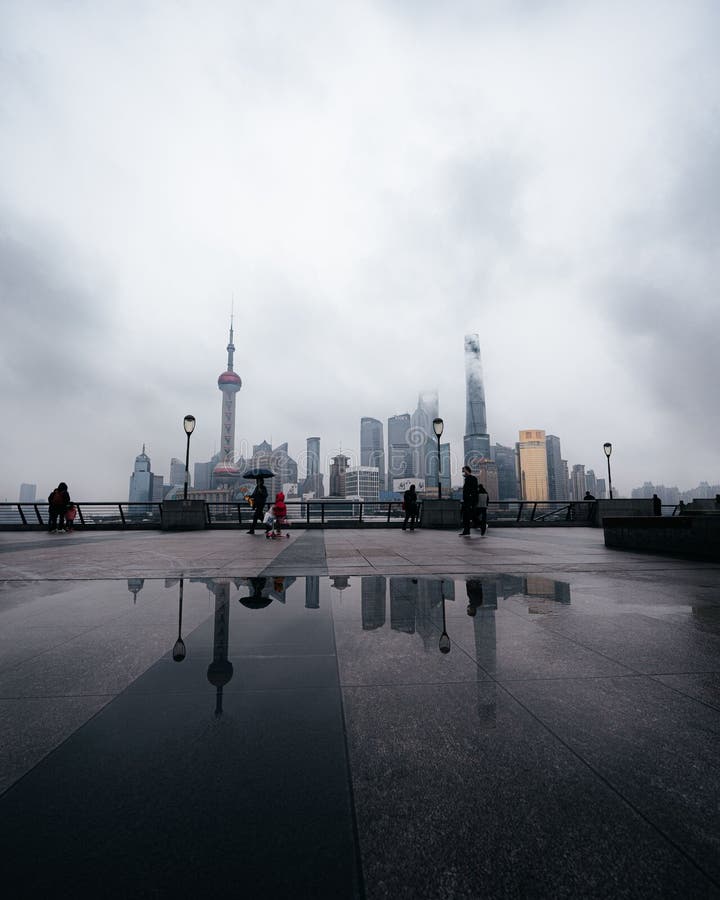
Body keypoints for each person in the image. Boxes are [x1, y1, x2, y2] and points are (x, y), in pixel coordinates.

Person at [460, 465, 480, 535]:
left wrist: (472, 500)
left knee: (470, 515)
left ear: (467, 471)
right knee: (466, 516)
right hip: (467, 501)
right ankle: (466, 531)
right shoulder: (468, 479)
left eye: (464, 470)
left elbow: (474, 491)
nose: (463, 472)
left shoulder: (472, 478)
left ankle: (481, 524)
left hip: (470, 501)